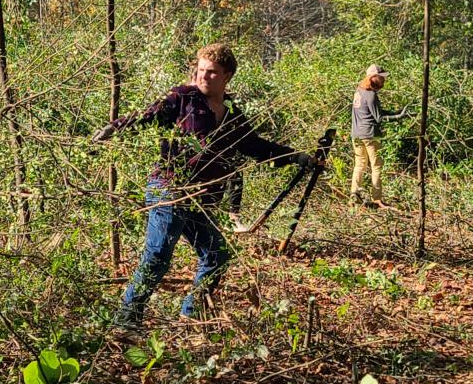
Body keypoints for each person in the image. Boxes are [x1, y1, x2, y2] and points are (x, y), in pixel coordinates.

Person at [93, 43, 314, 326]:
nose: (203, 77)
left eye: (211, 72)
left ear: (227, 76)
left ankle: (192, 315)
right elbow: (149, 115)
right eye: (200, 70)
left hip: (202, 198)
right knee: (158, 255)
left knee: (216, 255)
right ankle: (125, 321)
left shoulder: (232, 114)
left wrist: (295, 156)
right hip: (171, 189)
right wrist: (116, 127)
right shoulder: (182, 97)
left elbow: (255, 145)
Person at [349, 64, 410, 207]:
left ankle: (354, 195)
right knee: (376, 167)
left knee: (359, 165)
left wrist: (396, 112)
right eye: (381, 77)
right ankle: (377, 199)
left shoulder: (359, 91)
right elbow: (379, 118)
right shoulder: (371, 94)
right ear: (373, 77)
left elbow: (377, 112)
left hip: (357, 135)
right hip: (370, 135)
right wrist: (399, 117)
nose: (383, 81)